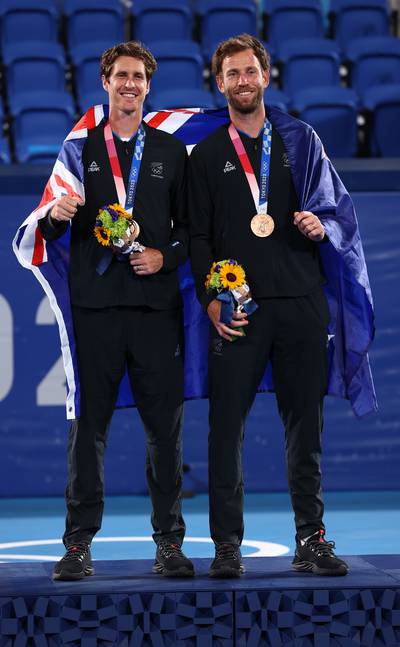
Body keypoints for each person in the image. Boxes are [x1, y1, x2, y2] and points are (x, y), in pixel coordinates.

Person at [188, 34, 355, 578]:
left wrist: (318, 224)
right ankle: (226, 546)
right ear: (220, 84)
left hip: (303, 307)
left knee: (306, 429)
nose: (242, 81)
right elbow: (199, 239)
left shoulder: (301, 140)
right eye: (231, 74)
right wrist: (213, 300)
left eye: (250, 71)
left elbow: (335, 213)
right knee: (224, 429)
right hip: (239, 313)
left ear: (267, 76)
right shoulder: (209, 154)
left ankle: (311, 537)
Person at [36, 41, 194, 580]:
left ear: (148, 87)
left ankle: (169, 543)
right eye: (120, 76)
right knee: (89, 428)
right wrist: (57, 213)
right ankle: (78, 544)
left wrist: (164, 255)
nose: (129, 85)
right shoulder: (79, 149)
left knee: (164, 431)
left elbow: (194, 235)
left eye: (138, 78)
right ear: (105, 82)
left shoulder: (172, 154)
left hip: (155, 309)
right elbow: (50, 224)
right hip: (96, 309)